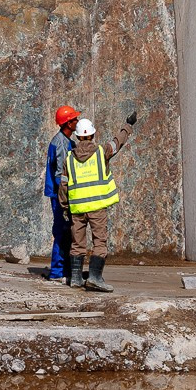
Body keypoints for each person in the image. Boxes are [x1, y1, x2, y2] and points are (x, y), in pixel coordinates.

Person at [59, 111, 138, 292]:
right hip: (96, 208)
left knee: (77, 244)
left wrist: (65, 208)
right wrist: (128, 125)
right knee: (99, 243)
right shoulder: (102, 152)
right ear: (92, 135)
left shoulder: (69, 158)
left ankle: (77, 279)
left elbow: (63, 186)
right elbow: (118, 142)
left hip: (77, 209)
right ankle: (94, 277)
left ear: (78, 136)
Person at [43, 105, 80, 282]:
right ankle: (57, 272)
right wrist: (65, 198)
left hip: (61, 194)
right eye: (74, 119)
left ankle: (64, 270)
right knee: (61, 231)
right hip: (60, 196)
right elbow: (59, 175)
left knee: (66, 232)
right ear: (68, 123)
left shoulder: (67, 142)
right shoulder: (60, 144)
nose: (77, 122)